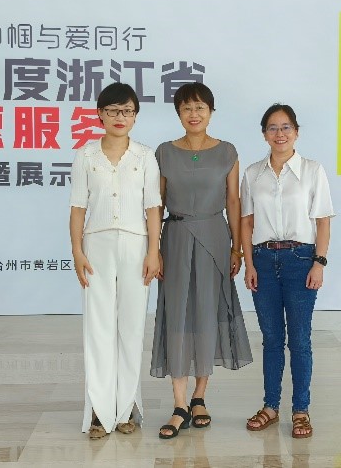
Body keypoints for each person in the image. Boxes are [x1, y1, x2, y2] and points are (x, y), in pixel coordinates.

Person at [151, 82, 253, 439]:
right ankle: (179, 404)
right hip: (176, 238)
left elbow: (234, 202)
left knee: (208, 314)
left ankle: (199, 397)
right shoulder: (164, 152)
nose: (193, 114)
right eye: (186, 108)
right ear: (178, 113)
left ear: (211, 112)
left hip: (214, 236)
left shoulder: (227, 151)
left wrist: (237, 249)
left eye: (200, 108)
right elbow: (156, 204)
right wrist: (154, 248)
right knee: (177, 315)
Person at [68, 82, 162, 439]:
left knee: (132, 328)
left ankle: (125, 410)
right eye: (112, 110)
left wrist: (153, 251)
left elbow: (153, 207)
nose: (120, 117)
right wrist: (77, 251)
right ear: (100, 114)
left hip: (137, 247)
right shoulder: (86, 156)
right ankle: (99, 411)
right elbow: (78, 207)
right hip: (97, 246)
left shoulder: (145, 156)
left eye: (127, 111)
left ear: (135, 116)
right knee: (98, 328)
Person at [240, 103, 333, 439]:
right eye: (272, 128)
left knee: (300, 340)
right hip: (263, 261)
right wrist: (249, 263)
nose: (279, 134)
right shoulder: (253, 174)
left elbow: (322, 221)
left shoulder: (312, 170)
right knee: (271, 340)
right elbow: (246, 222)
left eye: (285, 127)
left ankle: (301, 410)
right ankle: (270, 406)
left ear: (296, 131)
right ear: (264, 134)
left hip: (300, 259)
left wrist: (319, 262)